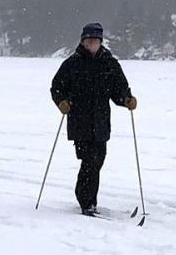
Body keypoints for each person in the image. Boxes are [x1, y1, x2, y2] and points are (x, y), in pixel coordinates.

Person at [50, 22, 137, 215]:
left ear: (100, 42)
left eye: (95, 41)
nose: (92, 44)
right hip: (79, 121)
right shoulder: (72, 63)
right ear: (83, 42)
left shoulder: (109, 63)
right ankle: (86, 202)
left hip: (101, 122)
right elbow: (57, 87)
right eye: (89, 41)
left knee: (98, 161)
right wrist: (62, 102)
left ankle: (89, 201)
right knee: (89, 161)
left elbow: (118, 89)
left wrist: (126, 99)